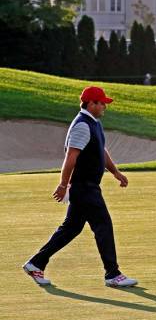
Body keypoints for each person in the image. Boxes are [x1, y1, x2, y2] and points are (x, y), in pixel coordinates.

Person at [23, 86, 138, 288]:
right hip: (84, 187)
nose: (104, 106)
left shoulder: (94, 124)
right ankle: (113, 274)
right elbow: (71, 157)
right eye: (101, 103)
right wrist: (63, 184)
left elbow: (100, 151)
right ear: (91, 103)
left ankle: (36, 263)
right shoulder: (82, 125)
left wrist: (115, 172)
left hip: (88, 186)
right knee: (103, 225)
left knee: (71, 228)